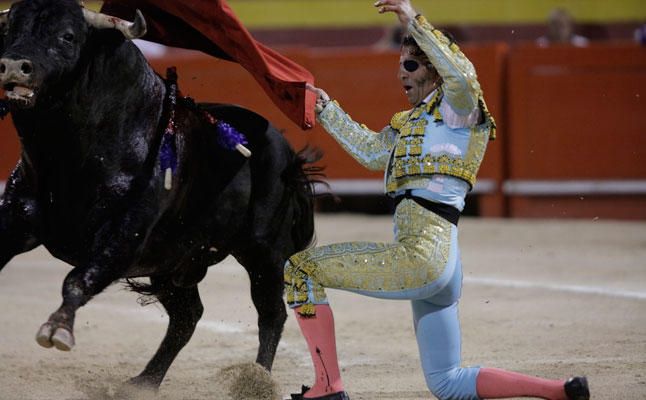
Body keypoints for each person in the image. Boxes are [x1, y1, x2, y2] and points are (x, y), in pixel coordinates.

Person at [283, 1, 590, 399]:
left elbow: (461, 74)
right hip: (443, 265)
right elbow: (371, 152)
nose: (401, 74)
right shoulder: (408, 123)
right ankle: (560, 391)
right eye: (400, 65)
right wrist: (325, 108)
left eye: (411, 65)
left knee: (301, 270)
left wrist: (413, 20)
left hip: (425, 257)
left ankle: (328, 388)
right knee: (446, 382)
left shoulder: (459, 109)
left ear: (433, 68)